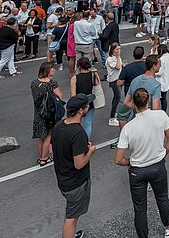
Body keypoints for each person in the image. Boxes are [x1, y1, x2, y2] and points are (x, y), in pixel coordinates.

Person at [114, 88, 169, 238]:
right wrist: (164, 153)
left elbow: (118, 159)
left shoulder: (128, 128)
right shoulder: (160, 116)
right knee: (162, 197)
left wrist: (129, 162)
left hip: (137, 169)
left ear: (134, 103)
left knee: (139, 207)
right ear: (148, 100)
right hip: (157, 165)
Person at [51, 94, 96, 238]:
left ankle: (71, 234)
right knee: (71, 218)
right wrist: (90, 151)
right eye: (87, 105)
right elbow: (79, 164)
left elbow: (52, 149)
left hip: (63, 179)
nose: (89, 106)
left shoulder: (59, 125)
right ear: (81, 110)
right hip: (76, 183)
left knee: (72, 215)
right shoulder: (78, 133)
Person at [32, 62, 63, 166]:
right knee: (48, 135)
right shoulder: (52, 83)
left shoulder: (34, 83)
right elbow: (59, 96)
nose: (54, 70)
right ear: (47, 70)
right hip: (49, 113)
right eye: (52, 68)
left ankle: (40, 156)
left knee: (41, 136)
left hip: (38, 112)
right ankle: (44, 158)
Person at [115, 47, 147, 133]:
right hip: (143, 94)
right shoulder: (146, 66)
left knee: (122, 115)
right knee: (140, 113)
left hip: (129, 95)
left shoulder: (127, 68)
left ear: (133, 55)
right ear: (142, 55)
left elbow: (119, 83)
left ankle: (124, 135)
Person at [70, 57, 100, 138]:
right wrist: (95, 73)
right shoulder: (92, 75)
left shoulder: (74, 78)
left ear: (79, 66)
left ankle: (77, 140)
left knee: (77, 123)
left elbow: (73, 95)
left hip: (79, 104)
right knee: (88, 123)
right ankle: (86, 142)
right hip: (90, 103)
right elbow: (97, 85)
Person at [106, 43, 124, 126]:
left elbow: (120, 66)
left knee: (116, 97)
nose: (118, 51)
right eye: (117, 49)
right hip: (114, 80)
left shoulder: (117, 57)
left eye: (119, 49)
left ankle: (114, 113)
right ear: (112, 50)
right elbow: (117, 67)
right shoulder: (110, 59)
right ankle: (111, 118)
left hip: (118, 79)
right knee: (118, 98)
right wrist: (117, 57)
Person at [157, 44, 169, 112]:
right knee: (164, 98)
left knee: (160, 98)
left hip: (161, 81)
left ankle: (160, 111)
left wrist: (152, 72)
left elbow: (159, 72)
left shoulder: (162, 59)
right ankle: (164, 111)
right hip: (168, 78)